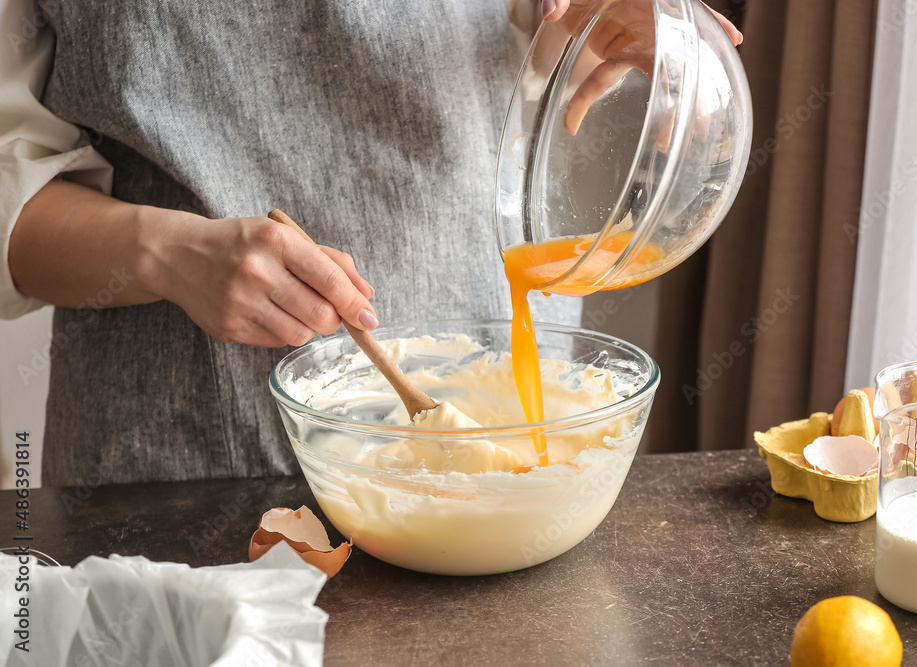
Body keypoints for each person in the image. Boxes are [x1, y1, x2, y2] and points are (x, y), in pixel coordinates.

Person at [0, 0, 740, 486]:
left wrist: (612, 26)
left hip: (516, 441)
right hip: (180, 467)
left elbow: (542, 47)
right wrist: (163, 250)